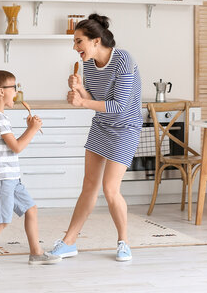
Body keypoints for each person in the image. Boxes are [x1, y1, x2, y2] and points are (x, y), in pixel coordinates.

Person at [48, 14, 142, 262]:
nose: (75, 47)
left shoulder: (123, 60)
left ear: (95, 41)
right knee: (89, 186)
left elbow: (119, 105)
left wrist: (82, 102)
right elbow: (96, 97)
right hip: (101, 126)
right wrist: (80, 90)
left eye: (79, 41)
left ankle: (124, 242)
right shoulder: (88, 64)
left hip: (125, 128)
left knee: (110, 189)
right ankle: (68, 242)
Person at [0, 70, 62, 272]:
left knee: (31, 209)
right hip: (2, 178)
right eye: (14, 87)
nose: (17, 92)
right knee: (2, 220)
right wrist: (31, 129)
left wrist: (29, 128)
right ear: (1, 91)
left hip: (10, 177)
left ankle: (36, 253)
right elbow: (17, 147)